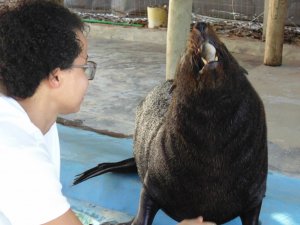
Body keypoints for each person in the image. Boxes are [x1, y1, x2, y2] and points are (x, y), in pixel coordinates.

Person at [0, 1, 216, 225]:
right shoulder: (15, 150)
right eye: (85, 66)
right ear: (56, 76)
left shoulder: (37, 121)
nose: (88, 78)